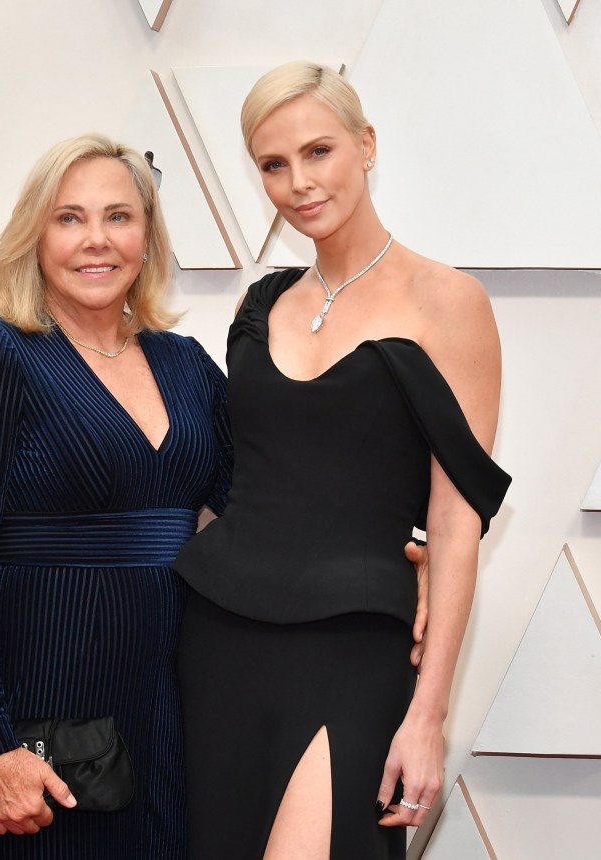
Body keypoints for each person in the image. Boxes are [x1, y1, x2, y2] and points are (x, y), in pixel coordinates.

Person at [174, 61, 511, 860]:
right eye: (273, 164)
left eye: (318, 151)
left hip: (355, 645)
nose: (299, 182)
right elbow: (246, 475)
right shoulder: (261, 306)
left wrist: (427, 717)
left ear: (366, 146)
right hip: (219, 635)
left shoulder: (448, 301)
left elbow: (455, 525)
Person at [0, 132, 233, 859]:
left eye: (119, 217)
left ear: (147, 235)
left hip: (169, 720)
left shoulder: (184, 362)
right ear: (35, 233)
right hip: (45, 736)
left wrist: (394, 546)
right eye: (69, 218)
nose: (96, 240)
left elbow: (264, 503)